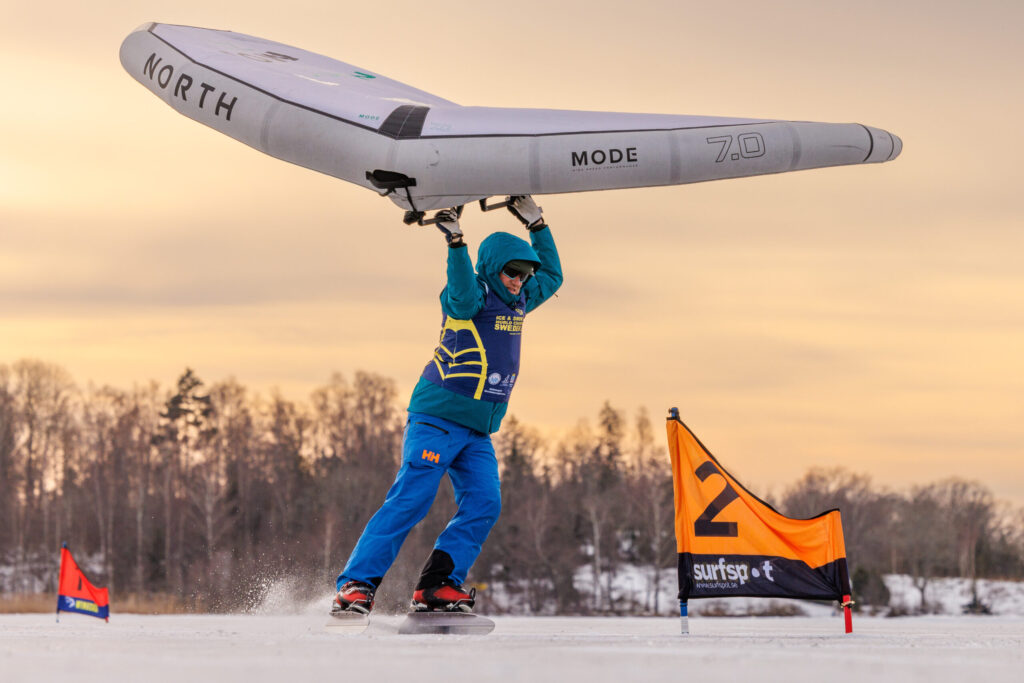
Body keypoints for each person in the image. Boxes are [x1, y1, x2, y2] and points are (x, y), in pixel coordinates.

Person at [331, 195, 563, 615]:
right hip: (437, 419)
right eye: (513, 272)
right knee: (412, 499)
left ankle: (437, 585)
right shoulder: (471, 297)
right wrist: (456, 241)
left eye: (525, 273)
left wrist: (538, 224)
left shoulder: (521, 299)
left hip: (477, 430)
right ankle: (355, 585)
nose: (519, 280)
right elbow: (460, 293)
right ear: (494, 269)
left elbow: (554, 276)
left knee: (484, 502)